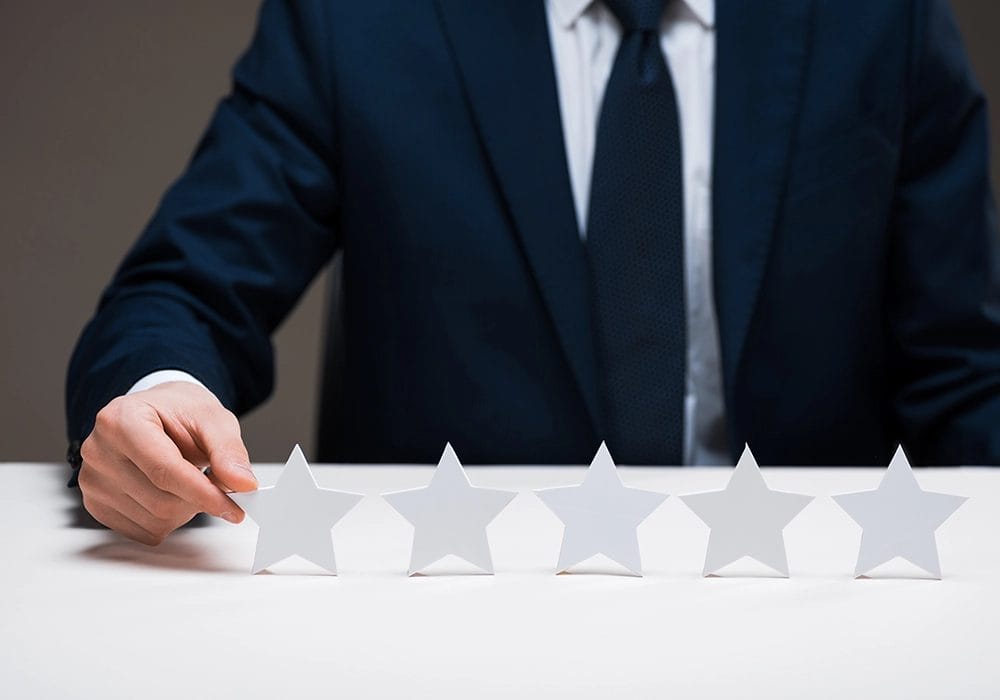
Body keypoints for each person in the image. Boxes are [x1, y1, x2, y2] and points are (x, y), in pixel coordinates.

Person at [66, 0, 1000, 545]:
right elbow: (184, 287)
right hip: (440, 630)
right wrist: (156, 402)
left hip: (812, 623)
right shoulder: (360, 19)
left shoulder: (883, 19)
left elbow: (967, 368)